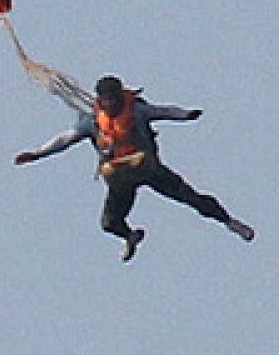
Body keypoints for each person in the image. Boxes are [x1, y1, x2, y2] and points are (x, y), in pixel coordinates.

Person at [14, 75, 255, 261]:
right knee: (109, 223)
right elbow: (65, 139)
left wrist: (186, 115)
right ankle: (130, 236)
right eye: (106, 100)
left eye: (114, 98)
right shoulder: (93, 122)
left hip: (146, 167)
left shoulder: (137, 110)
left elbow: (164, 111)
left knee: (191, 198)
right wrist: (38, 154)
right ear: (100, 100)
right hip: (120, 176)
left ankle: (229, 221)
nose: (111, 103)